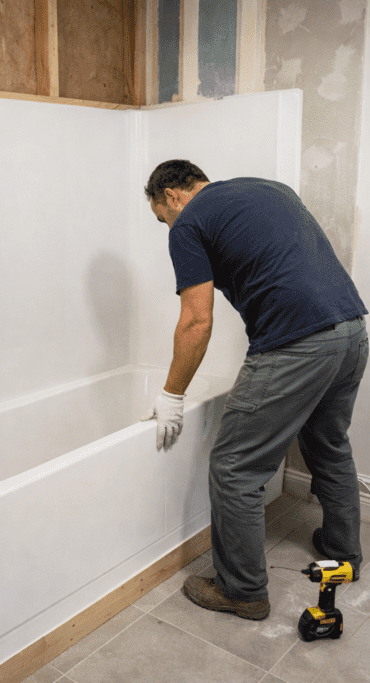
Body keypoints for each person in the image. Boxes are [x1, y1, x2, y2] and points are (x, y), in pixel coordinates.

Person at [142, 159, 368, 620]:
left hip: (295, 342)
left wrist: (170, 396)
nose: (166, 225)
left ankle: (242, 591)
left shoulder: (189, 222)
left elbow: (195, 319)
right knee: (328, 445)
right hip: (350, 328)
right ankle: (345, 555)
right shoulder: (270, 188)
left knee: (234, 467)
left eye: (160, 216)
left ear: (171, 195)